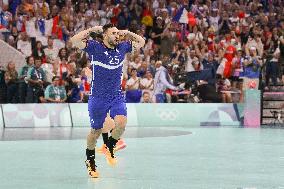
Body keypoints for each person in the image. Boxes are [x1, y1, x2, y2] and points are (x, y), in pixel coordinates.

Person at [70, 23, 145, 178]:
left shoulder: (122, 47)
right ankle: (90, 162)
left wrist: (128, 32)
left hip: (116, 96)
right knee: (95, 133)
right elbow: (74, 40)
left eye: (118, 33)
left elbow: (142, 42)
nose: (117, 36)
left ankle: (108, 147)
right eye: (113, 33)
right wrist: (91, 30)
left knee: (122, 124)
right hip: (97, 97)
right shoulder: (95, 47)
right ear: (104, 35)